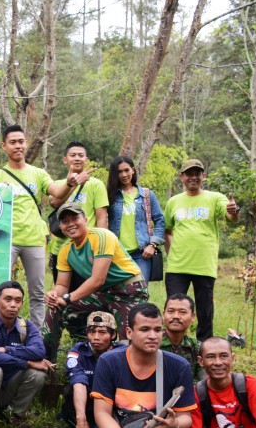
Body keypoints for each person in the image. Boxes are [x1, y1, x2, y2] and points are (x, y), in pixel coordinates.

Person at [85, 303, 211, 428]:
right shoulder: (110, 362)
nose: (152, 335)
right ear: (129, 332)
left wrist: (173, 425)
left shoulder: (178, 366)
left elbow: (186, 417)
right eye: (144, 329)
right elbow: (102, 414)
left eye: (157, 329)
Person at [0, 124, 74, 328]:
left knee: (37, 291)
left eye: (21, 141)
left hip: (34, 239)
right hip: (5, 241)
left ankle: (37, 337)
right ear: (4, 146)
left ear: (26, 144)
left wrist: (70, 183)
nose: (18, 146)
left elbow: (57, 193)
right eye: (13, 142)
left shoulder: (38, 173)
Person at [42, 202, 148, 360]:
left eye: (74, 218)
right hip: (103, 294)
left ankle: (128, 374)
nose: (70, 224)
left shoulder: (101, 236)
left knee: (129, 342)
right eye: (65, 221)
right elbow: (62, 285)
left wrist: (67, 298)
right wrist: (54, 295)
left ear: (85, 219)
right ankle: (49, 359)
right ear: (61, 227)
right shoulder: (65, 250)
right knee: (57, 307)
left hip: (129, 291)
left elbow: (98, 280)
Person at [163, 158, 239, 341]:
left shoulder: (215, 198)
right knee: (174, 309)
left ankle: (203, 347)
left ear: (203, 176)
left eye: (197, 173)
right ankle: (173, 344)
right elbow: (167, 230)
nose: (193, 177)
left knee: (205, 309)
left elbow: (230, 216)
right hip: (177, 266)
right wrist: (171, 252)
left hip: (204, 265)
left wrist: (234, 210)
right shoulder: (173, 202)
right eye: (189, 174)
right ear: (182, 177)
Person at [0, 281, 48, 428]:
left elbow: (40, 351)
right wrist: (27, 362)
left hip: (11, 384)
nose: (13, 305)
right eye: (7, 299)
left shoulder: (27, 326)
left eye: (18, 300)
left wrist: (8, 350)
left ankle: (16, 415)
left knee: (38, 374)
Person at [56, 311, 126, 428]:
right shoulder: (78, 351)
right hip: (88, 403)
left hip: (114, 403)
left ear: (113, 335)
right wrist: (81, 419)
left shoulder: (122, 352)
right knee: (71, 391)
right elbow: (78, 382)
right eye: (92, 332)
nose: (96, 337)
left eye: (102, 332)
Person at [48, 141, 107, 284]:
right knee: (62, 290)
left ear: (86, 160)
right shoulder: (58, 184)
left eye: (81, 155)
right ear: (65, 159)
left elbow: (102, 218)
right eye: (72, 155)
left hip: (87, 248)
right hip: (61, 247)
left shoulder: (96, 184)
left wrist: (100, 246)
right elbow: (54, 202)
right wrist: (74, 183)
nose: (77, 158)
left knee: (86, 293)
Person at [106, 155, 165, 283]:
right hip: (116, 253)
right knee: (117, 294)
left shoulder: (147, 195)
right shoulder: (109, 195)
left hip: (141, 254)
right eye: (119, 172)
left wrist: (153, 244)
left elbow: (160, 220)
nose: (124, 174)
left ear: (133, 170)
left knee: (140, 292)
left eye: (126, 170)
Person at [162, 294, 202, 381]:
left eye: (183, 312)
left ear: (193, 317)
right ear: (163, 314)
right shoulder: (151, 343)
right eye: (171, 311)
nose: (176, 316)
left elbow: (206, 381)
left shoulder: (197, 348)